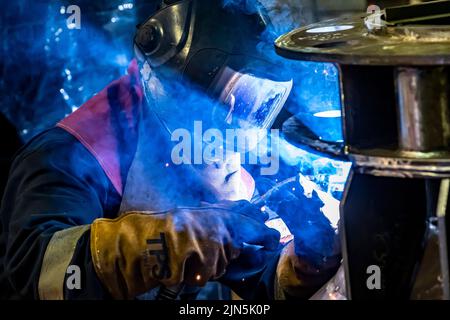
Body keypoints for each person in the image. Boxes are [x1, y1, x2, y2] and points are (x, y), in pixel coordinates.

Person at [0, 0, 340, 300]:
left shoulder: (218, 146)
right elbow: (45, 277)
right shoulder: (67, 157)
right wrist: (173, 242)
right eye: (247, 103)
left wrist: (303, 263)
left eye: (266, 105)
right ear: (186, 82)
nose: (251, 126)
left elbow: (259, 279)